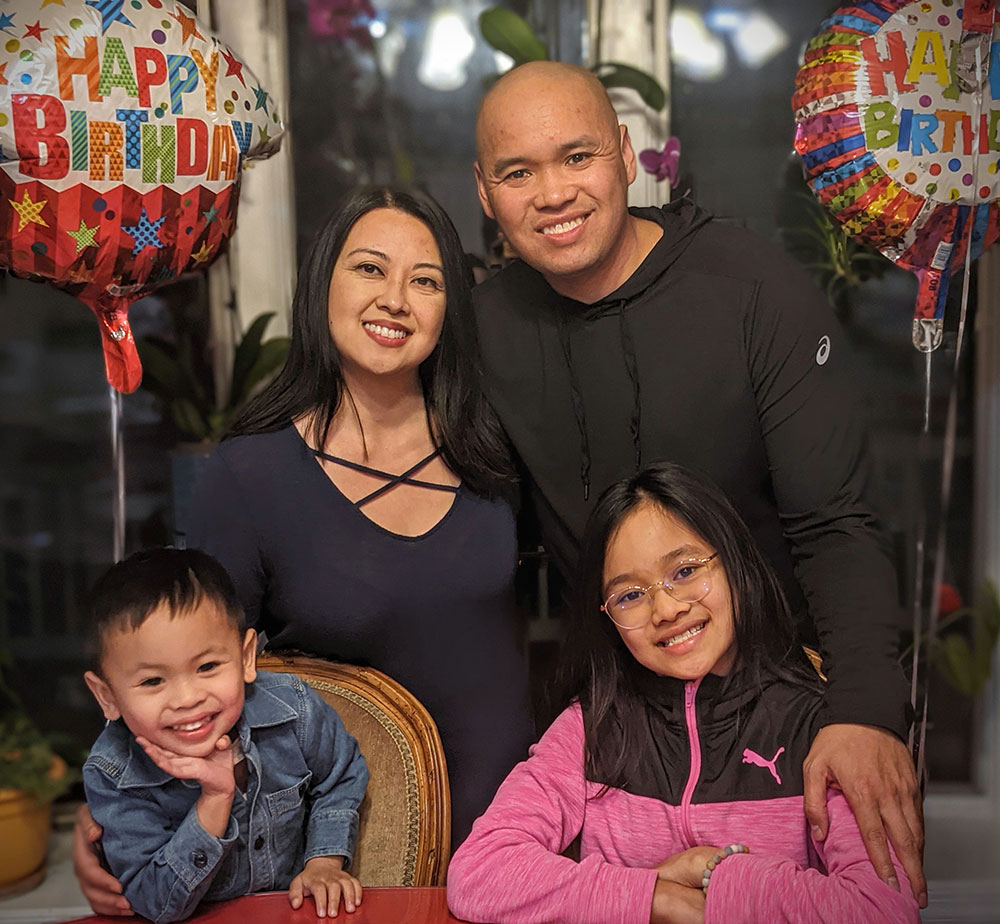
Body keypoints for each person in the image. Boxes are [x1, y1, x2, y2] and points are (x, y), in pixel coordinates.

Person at [470, 60, 924, 904]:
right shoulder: (488, 328)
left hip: (785, 714)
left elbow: (834, 519)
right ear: (485, 192)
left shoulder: (749, 285)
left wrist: (864, 709)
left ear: (625, 152)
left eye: (577, 157)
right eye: (518, 171)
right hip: (619, 730)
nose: (553, 193)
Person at [73, 185, 535, 914]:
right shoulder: (250, 475)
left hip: (521, 836)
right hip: (346, 858)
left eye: (427, 280)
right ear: (323, 283)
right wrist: (111, 795)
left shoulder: (497, 453)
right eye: (370, 270)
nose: (396, 299)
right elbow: (186, 665)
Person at [447, 463, 920, 924]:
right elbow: (479, 874)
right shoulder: (589, 726)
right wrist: (658, 897)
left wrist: (719, 883)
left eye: (686, 570)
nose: (667, 608)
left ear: (734, 563)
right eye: (630, 595)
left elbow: (883, 909)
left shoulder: (818, 731)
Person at [81, 548, 368, 923]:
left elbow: (341, 774)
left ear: (246, 657)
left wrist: (324, 861)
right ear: (107, 696)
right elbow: (155, 903)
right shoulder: (112, 774)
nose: (188, 699)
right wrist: (214, 800)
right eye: (153, 680)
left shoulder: (293, 711)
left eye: (208, 666)